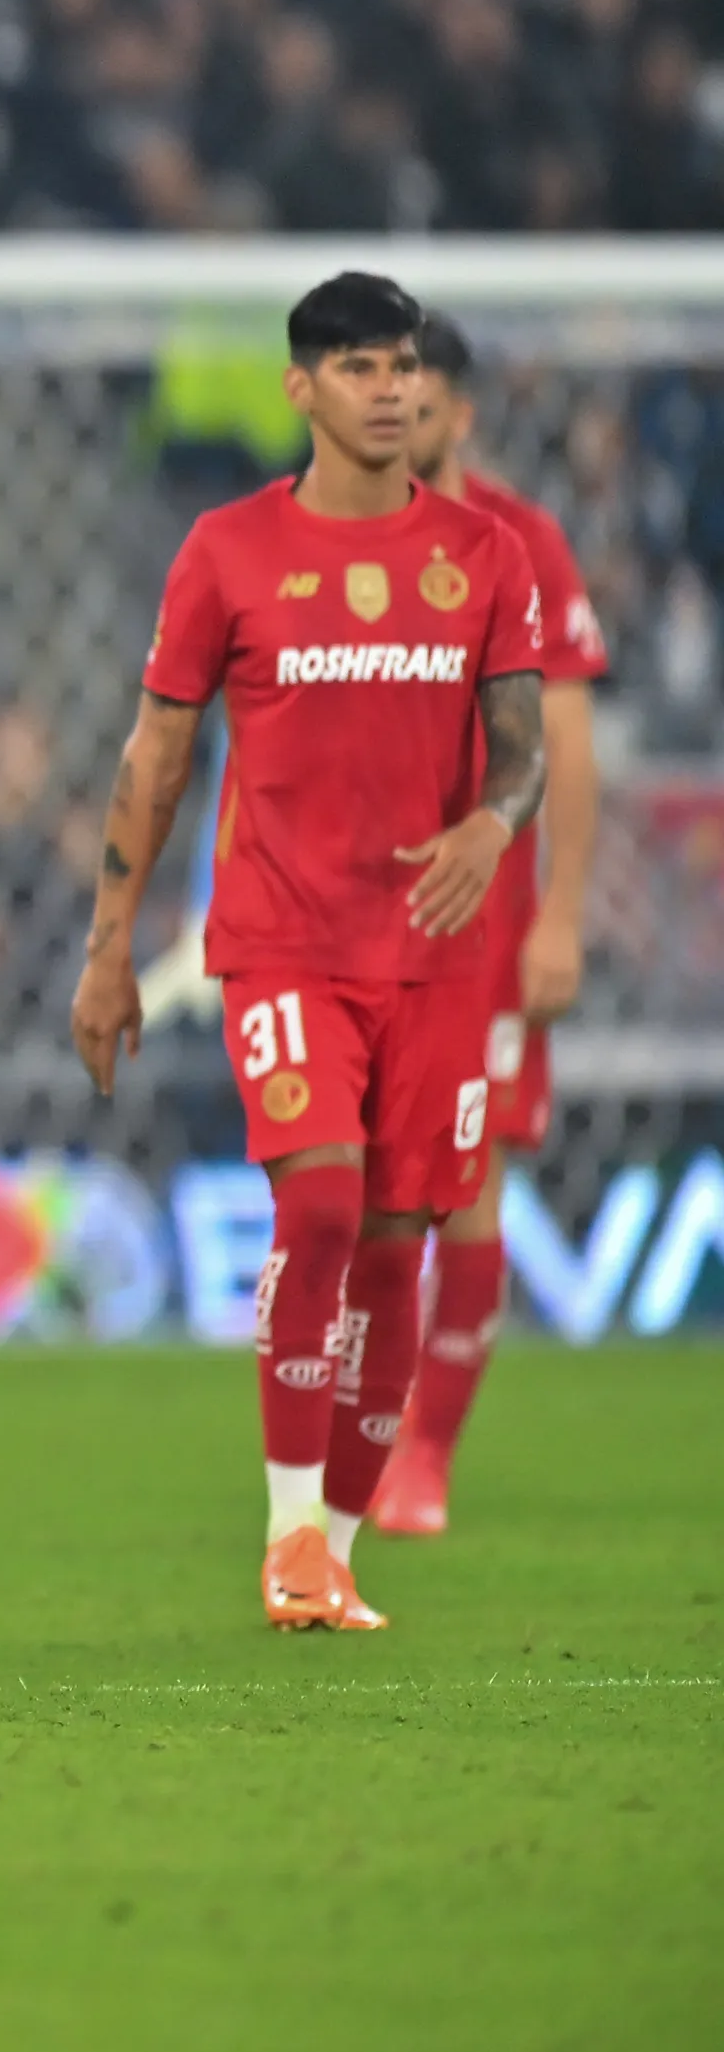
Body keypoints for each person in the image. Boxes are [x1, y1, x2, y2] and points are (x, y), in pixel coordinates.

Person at [71, 274, 545, 1632]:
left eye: (401, 365)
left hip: (438, 954)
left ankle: (332, 1550)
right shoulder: (226, 550)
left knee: (400, 1242)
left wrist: (493, 824)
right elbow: (157, 758)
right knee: (323, 1208)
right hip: (284, 941)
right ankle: (289, 1534)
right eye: (357, 366)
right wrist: (111, 952)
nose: (389, 387)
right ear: (301, 389)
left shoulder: (485, 554)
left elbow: (517, 753)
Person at [375, 316, 606, 1534]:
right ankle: (349, 1435)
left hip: (483, 929)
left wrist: (557, 916)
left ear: (457, 414)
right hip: (354, 924)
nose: (388, 421)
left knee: (465, 1193)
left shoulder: (520, 542)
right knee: (353, 1192)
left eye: (412, 403)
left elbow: (564, 745)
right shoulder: (330, 540)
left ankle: (427, 1454)